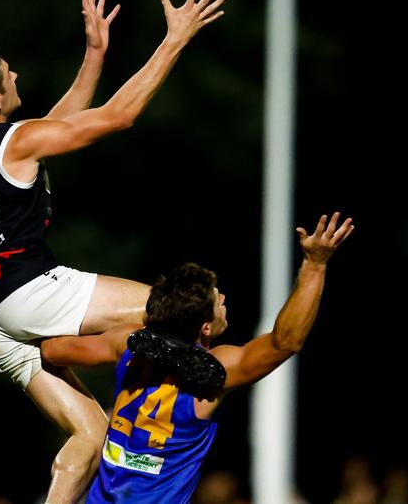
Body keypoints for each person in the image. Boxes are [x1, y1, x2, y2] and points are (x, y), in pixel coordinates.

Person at [0, 0, 227, 503]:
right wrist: (175, 40)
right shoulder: (17, 141)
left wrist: (94, 55)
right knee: (172, 309)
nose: (17, 71)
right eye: (9, 72)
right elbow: (120, 117)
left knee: (90, 434)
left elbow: (57, 122)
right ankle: (165, 436)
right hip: (29, 291)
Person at [40, 212, 355, 503]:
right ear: (205, 326)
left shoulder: (129, 344)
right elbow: (285, 342)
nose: (223, 298)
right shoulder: (212, 376)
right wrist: (315, 264)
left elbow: (52, 350)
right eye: (216, 297)